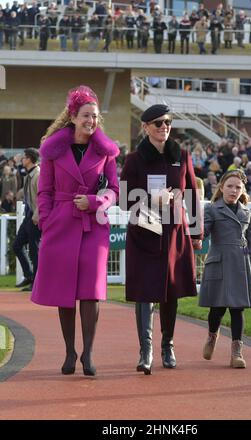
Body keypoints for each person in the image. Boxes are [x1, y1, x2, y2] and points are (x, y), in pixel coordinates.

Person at [31, 85, 119, 376]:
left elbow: (115, 191)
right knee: (64, 290)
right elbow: (44, 191)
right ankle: (70, 352)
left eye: (94, 116)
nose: (91, 121)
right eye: (86, 116)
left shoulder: (106, 151)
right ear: (73, 116)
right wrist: (46, 220)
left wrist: (96, 201)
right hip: (61, 223)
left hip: (94, 225)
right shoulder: (54, 150)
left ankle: (88, 353)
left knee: (91, 292)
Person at [120, 104, 203, 375]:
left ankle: (167, 345)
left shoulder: (182, 156)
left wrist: (196, 232)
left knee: (171, 292)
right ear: (145, 127)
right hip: (144, 233)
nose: (164, 127)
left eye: (167, 122)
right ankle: (146, 351)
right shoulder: (133, 160)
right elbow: (123, 199)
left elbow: (192, 195)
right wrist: (150, 199)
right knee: (145, 291)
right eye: (158, 123)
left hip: (174, 234)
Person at [199, 169, 251, 369]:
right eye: (230, 186)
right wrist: (196, 234)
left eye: (238, 187)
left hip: (241, 265)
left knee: (237, 308)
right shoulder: (211, 209)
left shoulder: (248, 212)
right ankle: (212, 335)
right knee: (216, 309)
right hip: (219, 263)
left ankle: (236, 352)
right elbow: (203, 232)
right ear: (222, 187)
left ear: (242, 190)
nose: (234, 191)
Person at [13, 148, 41, 291]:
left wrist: (37, 214)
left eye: (24, 157)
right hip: (29, 214)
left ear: (29, 159)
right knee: (17, 245)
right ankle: (29, 276)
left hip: (36, 216)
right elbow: (21, 171)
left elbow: (43, 197)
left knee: (34, 250)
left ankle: (36, 282)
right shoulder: (29, 173)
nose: (22, 159)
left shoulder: (38, 174)